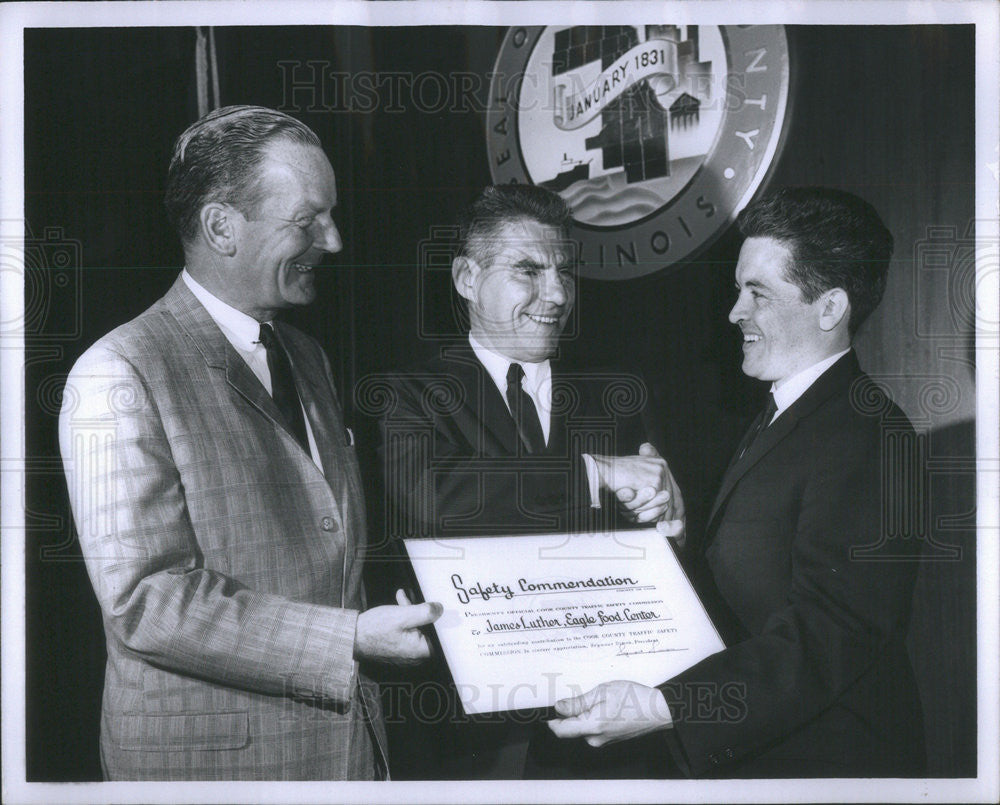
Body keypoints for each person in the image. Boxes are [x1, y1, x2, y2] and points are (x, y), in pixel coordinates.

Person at [57, 105, 441, 781]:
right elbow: (147, 601)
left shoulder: (307, 355)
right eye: (309, 220)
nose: (336, 239)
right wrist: (349, 638)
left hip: (343, 757)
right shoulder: (119, 372)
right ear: (221, 227)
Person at [547, 187, 927, 777]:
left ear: (829, 309)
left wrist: (667, 704)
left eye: (759, 293)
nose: (734, 313)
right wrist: (678, 536)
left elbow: (834, 632)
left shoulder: (870, 432)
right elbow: (764, 577)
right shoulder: (784, 417)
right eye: (737, 290)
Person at [375, 184, 684, 779]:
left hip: (603, 735)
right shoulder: (409, 394)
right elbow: (437, 499)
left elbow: (654, 554)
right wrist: (594, 473)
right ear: (467, 277)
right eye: (529, 271)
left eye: (565, 272)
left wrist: (669, 521)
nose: (558, 294)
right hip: (468, 746)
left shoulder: (616, 399)